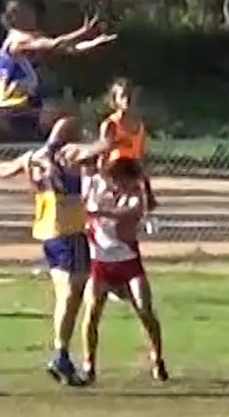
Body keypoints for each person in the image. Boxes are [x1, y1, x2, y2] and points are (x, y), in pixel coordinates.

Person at [0, 116, 89, 386]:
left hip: (48, 232)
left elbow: (1, 170)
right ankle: (61, 354)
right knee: (72, 293)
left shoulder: (33, 156)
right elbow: (96, 150)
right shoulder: (67, 155)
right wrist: (111, 141)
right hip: (68, 230)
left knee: (66, 295)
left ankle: (62, 354)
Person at [80, 158, 168, 384]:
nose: (119, 185)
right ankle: (89, 364)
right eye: (116, 180)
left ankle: (157, 359)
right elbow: (88, 178)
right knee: (91, 312)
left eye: (124, 181)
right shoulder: (99, 188)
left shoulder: (135, 197)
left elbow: (128, 214)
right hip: (100, 263)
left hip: (128, 263)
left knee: (144, 309)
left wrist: (101, 212)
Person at [0, 0, 116, 142]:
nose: (33, 16)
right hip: (12, 109)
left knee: (65, 116)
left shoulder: (27, 40)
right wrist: (82, 31)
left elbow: (68, 49)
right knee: (67, 119)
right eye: (28, 13)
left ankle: (52, 151)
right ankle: (52, 152)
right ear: (16, 17)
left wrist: (94, 42)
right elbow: (54, 43)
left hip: (24, 105)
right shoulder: (17, 40)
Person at [63, 77, 157, 216]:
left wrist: (144, 180)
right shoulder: (111, 124)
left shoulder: (140, 126)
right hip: (114, 170)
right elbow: (103, 151)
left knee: (137, 205)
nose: (128, 99)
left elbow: (140, 154)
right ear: (116, 100)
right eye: (123, 96)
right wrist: (105, 178)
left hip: (132, 170)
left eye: (130, 95)